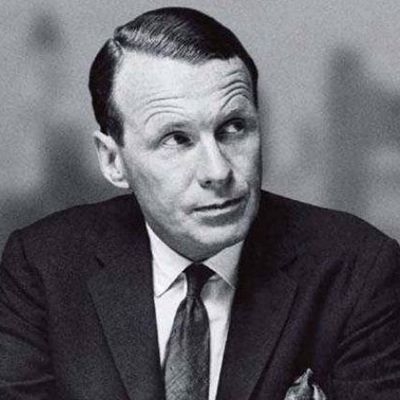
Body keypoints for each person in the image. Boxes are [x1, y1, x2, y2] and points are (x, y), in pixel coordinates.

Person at [0, 7, 399, 400]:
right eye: (177, 138)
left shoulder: (361, 271)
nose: (218, 171)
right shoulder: (40, 267)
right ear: (112, 161)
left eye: (234, 128)